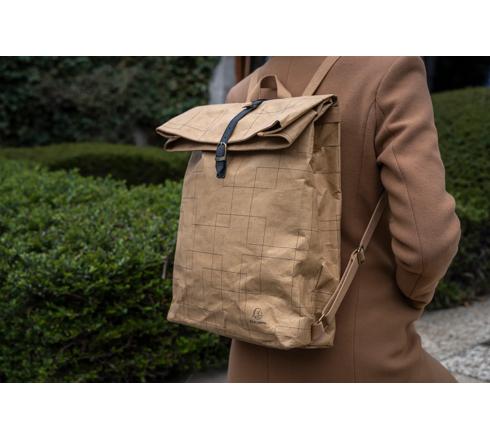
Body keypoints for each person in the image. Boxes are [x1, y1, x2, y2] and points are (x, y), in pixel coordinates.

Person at [224, 56, 461, 382]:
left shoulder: (242, 94)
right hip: (364, 353)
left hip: (249, 360)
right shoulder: (388, 73)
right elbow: (427, 244)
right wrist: (408, 299)